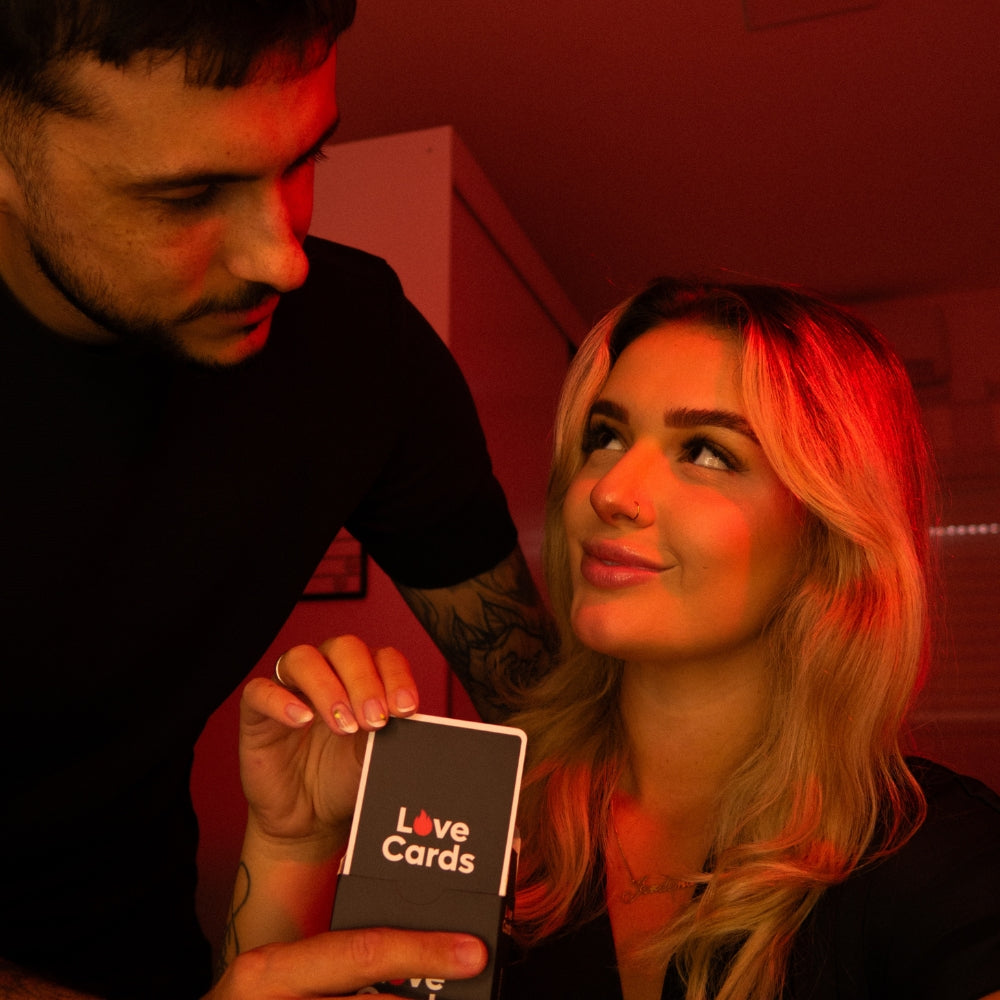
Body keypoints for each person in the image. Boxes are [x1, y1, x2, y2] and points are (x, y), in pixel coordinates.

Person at [235, 276, 1000, 999]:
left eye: (707, 452)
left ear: (826, 534)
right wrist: (290, 847)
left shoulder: (938, 852)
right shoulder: (485, 814)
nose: (610, 490)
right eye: (605, 436)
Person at [0, 2, 554, 998]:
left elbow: (544, 706)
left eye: (307, 160)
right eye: (189, 195)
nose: (282, 258)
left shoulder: (358, 348)